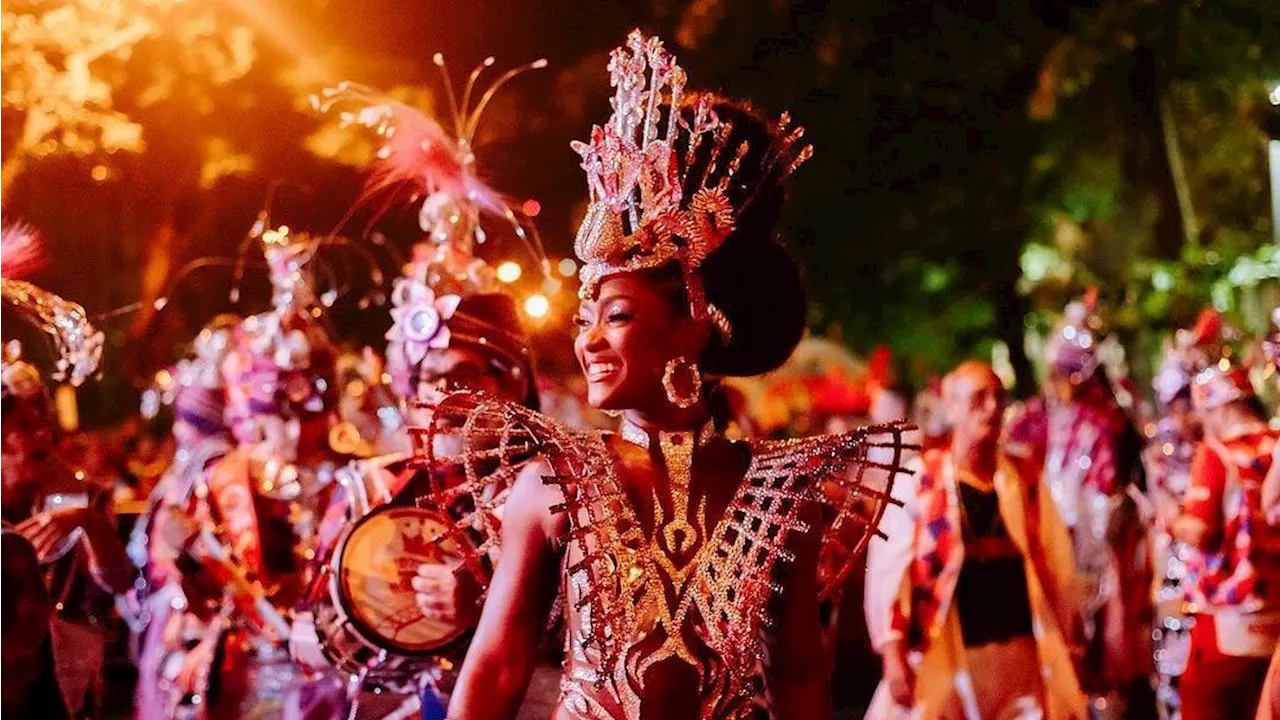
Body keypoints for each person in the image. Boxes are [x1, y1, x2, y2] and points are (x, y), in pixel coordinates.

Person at [431, 30, 910, 719]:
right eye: (584, 318)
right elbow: (498, 664)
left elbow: (801, 679)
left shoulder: (782, 495)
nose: (588, 338)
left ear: (692, 323)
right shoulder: (551, 482)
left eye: (616, 315)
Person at [865, 361, 1085, 719]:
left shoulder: (1025, 480)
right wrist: (892, 653)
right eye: (979, 398)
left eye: (999, 397)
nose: (992, 407)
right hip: (950, 654)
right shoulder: (919, 482)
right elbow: (889, 575)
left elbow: (1058, 563)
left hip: (1022, 656)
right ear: (951, 407)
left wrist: (1071, 639)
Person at [1005, 296, 1154, 718]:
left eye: (1067, 372)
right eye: (1055, 372)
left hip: (1099, 549)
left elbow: (1112, 490)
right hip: (1047, 547)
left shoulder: (1108, 420)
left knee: (1100, 644)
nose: (1058, 382)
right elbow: (1012, 468)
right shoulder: (1035, 416)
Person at [1174, 347, 1280, 720]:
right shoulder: (1277, 443)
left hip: (1229, 629)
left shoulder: (1217, 453)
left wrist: (1171, 519)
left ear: (1218, 409)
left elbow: (1201, 531)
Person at [1144, 311, 1215, 718]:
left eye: (1187, 405)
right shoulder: (1164, 450)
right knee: (1174, 671)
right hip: (1176, 573)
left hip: (1213, 579)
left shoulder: (1218, 451)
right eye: (1175, 406)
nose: (1181, 416)